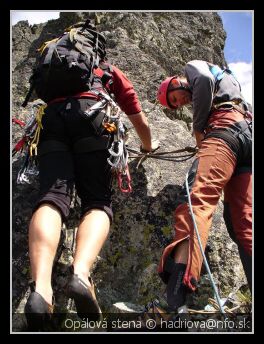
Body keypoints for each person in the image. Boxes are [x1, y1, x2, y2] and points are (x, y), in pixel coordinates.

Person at [24, 44, 159, 328]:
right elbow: (135, 111)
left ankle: (41, 290)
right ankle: (81, 276)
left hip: (50, 121)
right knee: (97, 201)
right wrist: (148, 146)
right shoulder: (105, 69)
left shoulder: (52, 71)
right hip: (94, 116)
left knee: (51, 198)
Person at [152, 59, 252, 314]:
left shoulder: (192, 67)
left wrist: (199, 132)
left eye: (174, 98)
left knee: (197, 201)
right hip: (246, 135)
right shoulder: (228, 79)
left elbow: (204, 81)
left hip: (224, 133)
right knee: (242, 222)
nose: (179, 103)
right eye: (175, 104)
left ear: (175, 82)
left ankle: (175, 300)